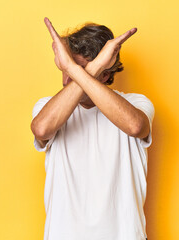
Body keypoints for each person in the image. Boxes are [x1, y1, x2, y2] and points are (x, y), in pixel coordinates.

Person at [30, 17, 154, 240]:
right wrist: (90, 69)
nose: (68, 78)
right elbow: (41, 130)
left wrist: (76, 67)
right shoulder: (48, 107)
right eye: (67, 68)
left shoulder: (137, 104)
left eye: (80, 68)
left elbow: (135, 127)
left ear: (106, 74)